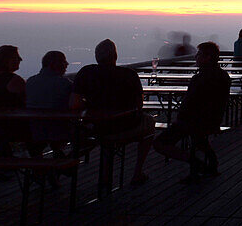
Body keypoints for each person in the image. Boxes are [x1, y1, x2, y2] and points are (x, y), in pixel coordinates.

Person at [72, 39, 155, 187]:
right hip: (125, 127)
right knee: (149, 122)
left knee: (87, 134)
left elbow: (75, 103)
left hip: (95, 127)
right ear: (115, 56)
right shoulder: (129, 74)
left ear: (96, 57)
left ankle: (66, 162)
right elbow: (139, 104)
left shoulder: (86, 72)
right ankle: (137, 172)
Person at [154, 41, 231, 182]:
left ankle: (195, 162)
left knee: (160, 143)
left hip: (193, 122)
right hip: (212, 120)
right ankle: (211, 163)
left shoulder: (199, 79)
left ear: (207, 57)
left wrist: (178, 119)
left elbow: (189, 104)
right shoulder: (223, 76)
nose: (196, 57)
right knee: (199, 138)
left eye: (199, 54)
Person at [26, 50, 73, 159]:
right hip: (60, 131)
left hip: (35, 131)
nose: (67, 64)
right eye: (63, 62)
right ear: (54, 65)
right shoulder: (64, 84)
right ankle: (65, 160)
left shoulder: (30, 82)